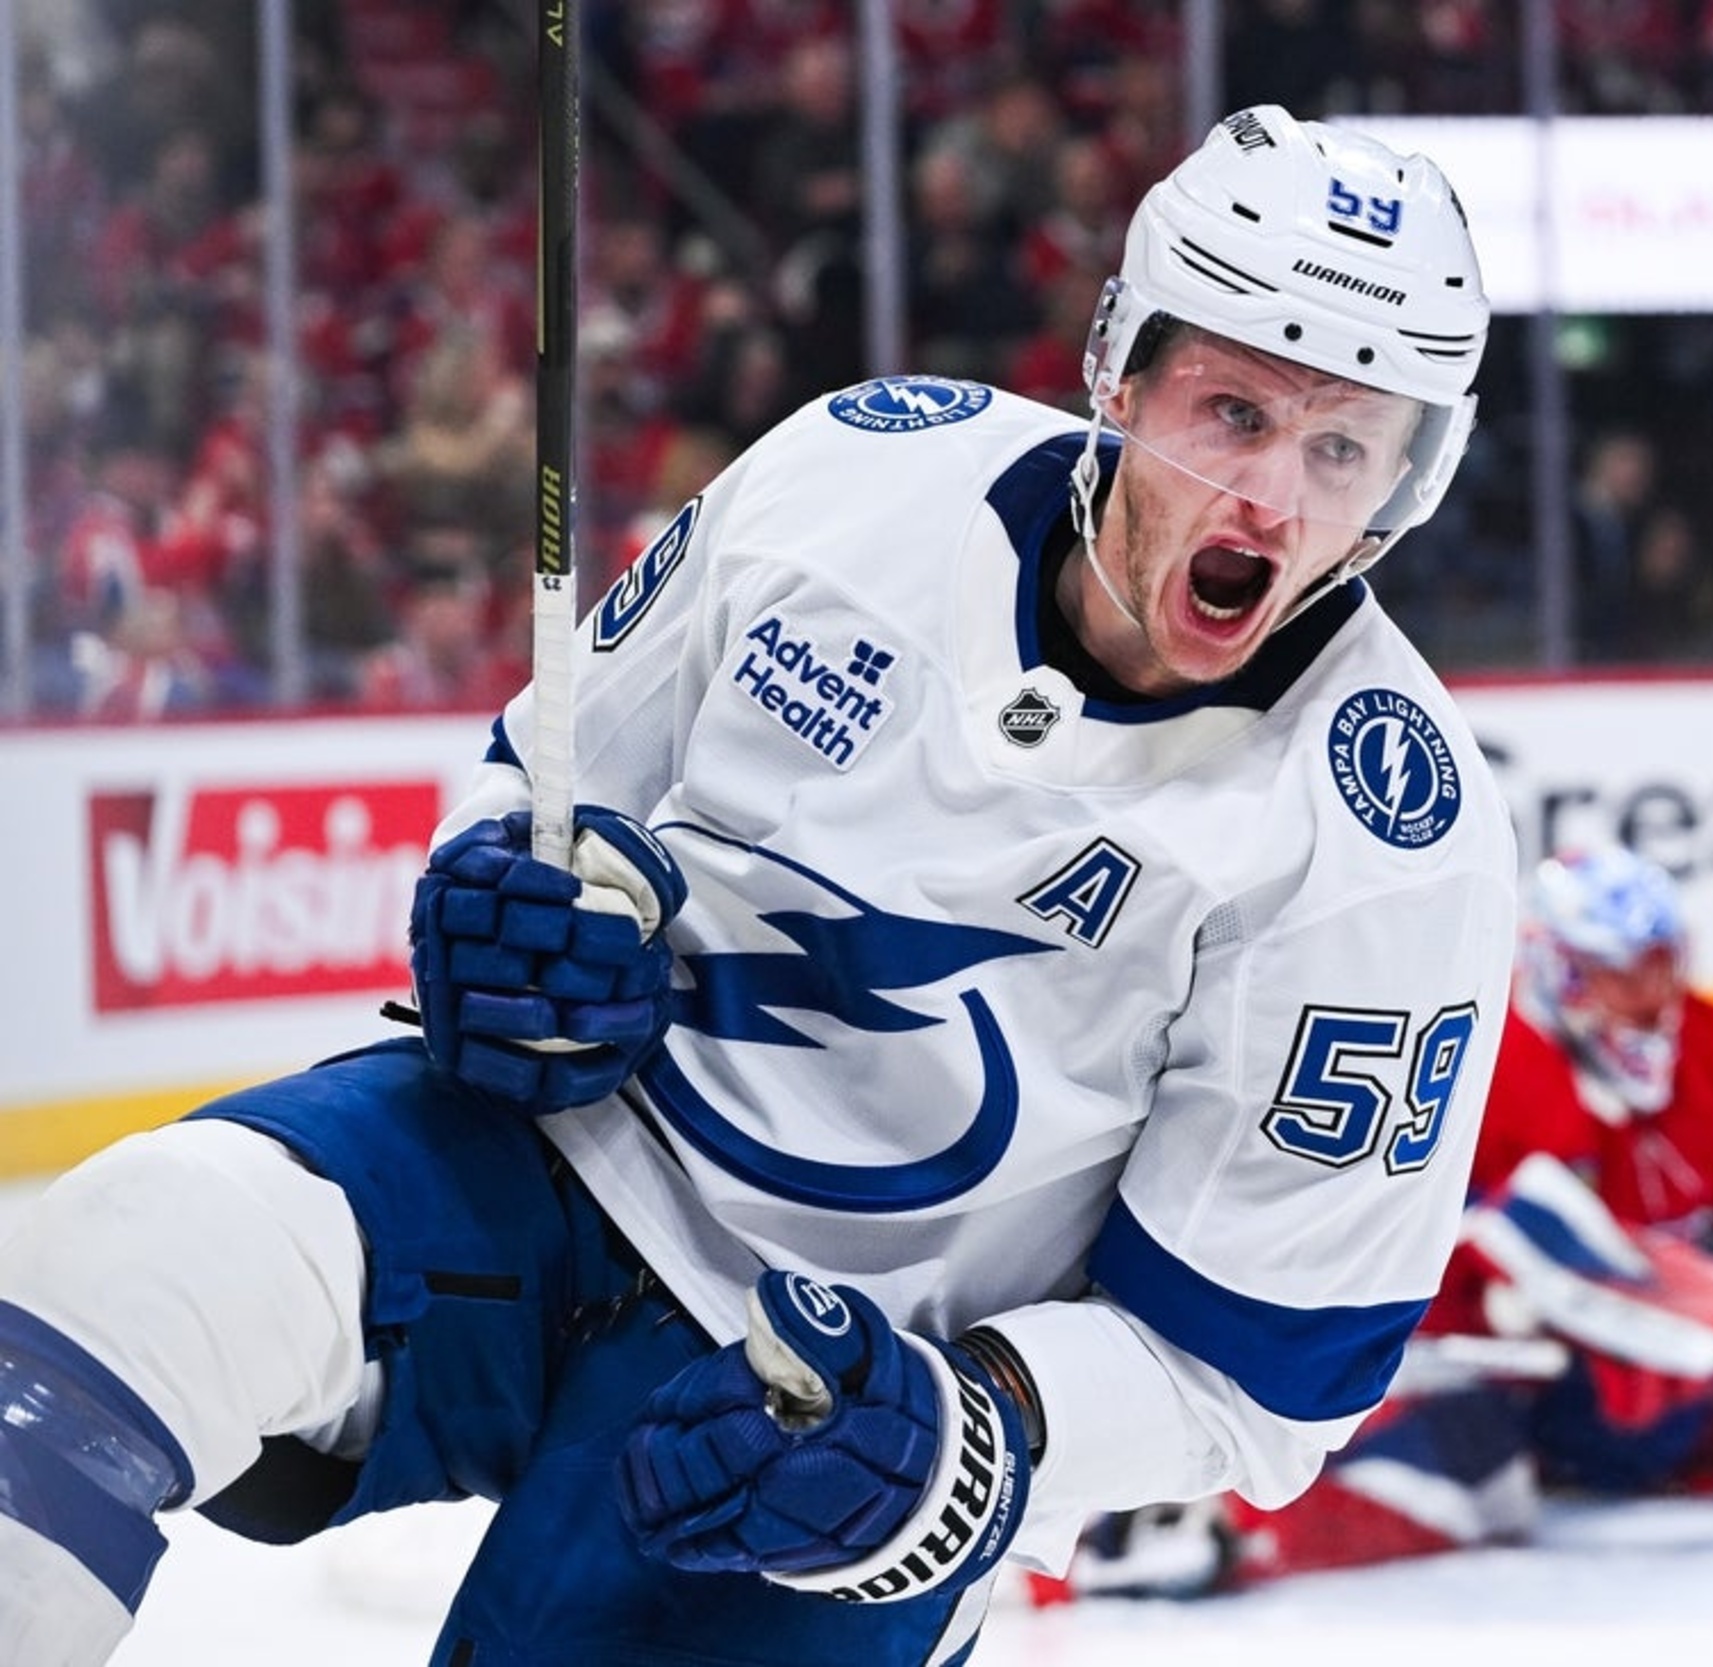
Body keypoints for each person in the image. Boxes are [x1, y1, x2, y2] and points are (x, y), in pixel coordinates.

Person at [0, 106, 1518, 1666]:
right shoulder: (863, 473)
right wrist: (505, 894)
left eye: (1344, 449)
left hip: (826, 1414)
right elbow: (549, 772)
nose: (1275, 501)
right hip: (540, 1175)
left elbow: (1252, 1371)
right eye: (1233, 413)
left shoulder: (1387, 843)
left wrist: (977, 1428)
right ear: (1122, 374)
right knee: (132, 1258)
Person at [1044, 846, 1713, 1601]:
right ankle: (1194, 1522)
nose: (1652, 1001)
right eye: (1620, 976)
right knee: (1451, 1467)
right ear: (1562, 973)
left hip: (1656, 1398)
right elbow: (1358, 1258)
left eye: (1663, 968)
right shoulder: (1480, 1065)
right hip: (1478, 1382)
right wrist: (1519, 1286)